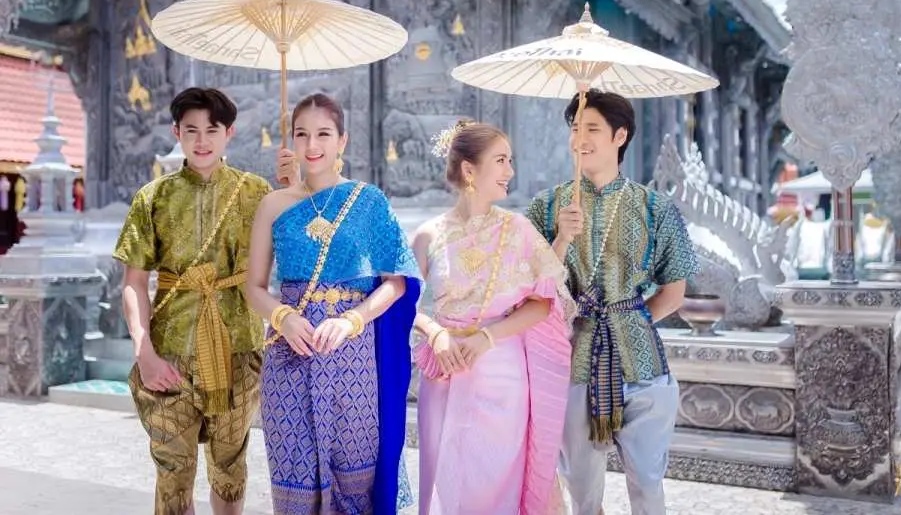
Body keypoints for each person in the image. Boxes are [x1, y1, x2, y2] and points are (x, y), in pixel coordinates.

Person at [115, 87, 297, 515]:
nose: (202, 140)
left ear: (229, 133)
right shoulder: (152, 197)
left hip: (239, 350)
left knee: (230, 465)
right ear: (176, 132)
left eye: (212, 129)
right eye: (191, 130)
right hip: (169, 354)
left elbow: (296, 251)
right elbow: (134, 281)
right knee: (172, 469)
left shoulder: (256, 192)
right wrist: (145, 353)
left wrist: (294, 189)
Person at [245, 92, 422, 514]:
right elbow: (252, 286)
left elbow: (396, 282)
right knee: (294, 480)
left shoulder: (368, 202)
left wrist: (351, 321)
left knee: (356, 478)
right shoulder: (273, 205)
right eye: (302, 134)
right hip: (291, 353)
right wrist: (283, 318)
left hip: (353, 356)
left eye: (323, 133)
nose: (312, 145)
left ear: (342, 140)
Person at [526, 90, 700, 515]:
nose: (580, 138)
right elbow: (530, 285)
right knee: (582, 491)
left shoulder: (655, 207)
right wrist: (562, 238)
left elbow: (674, 292)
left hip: (642, 367)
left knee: (647, 485)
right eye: (574, 129)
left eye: (592, 129)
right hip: (574, 362)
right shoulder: (547, 207)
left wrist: (628, 320)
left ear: (620, 136)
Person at [411, 120, 575, 515]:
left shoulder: (516, 229)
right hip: (446, 369)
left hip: (503, 373)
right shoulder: (428, 235)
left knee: (498, 481)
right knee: (445, 480)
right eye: (501, 161)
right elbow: (404, 306)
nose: (510, 171)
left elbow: (542, 301)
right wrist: (436, 335)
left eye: (511, 161)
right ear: (470, 170)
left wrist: (487, 337)